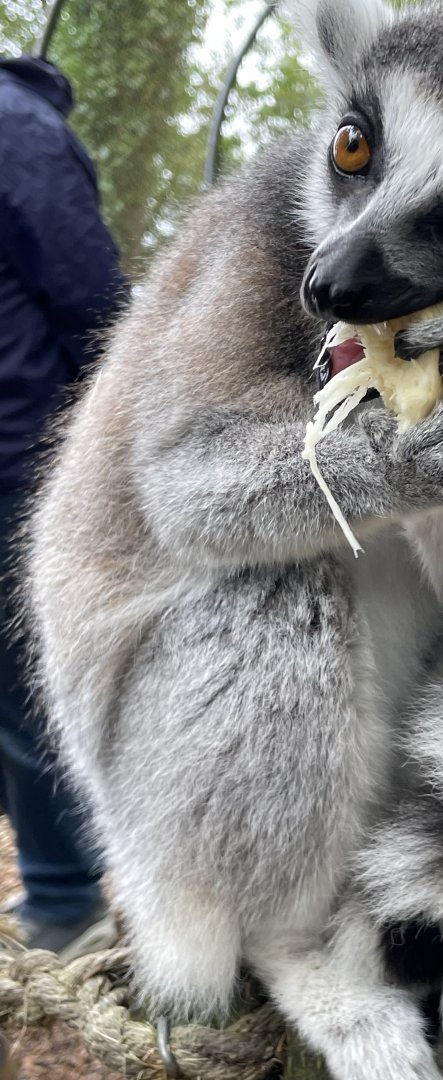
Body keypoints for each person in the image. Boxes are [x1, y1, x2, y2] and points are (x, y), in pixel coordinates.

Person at [0, 54, 127, 958]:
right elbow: (92, 302)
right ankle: (61, 900)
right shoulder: (22, 122)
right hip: (21, 452)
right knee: (35, 679)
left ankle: (57, 893)